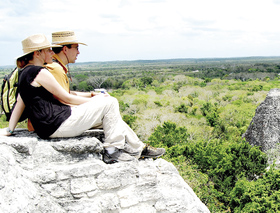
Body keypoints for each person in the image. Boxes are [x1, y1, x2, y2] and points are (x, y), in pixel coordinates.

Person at [1, 34, 165, 164]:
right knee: (110, 103)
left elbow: (19, 104)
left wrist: (10, 129)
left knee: (109, 118)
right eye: (48, 50)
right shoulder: (40, 72)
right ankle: (113, 151)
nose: (52, 52)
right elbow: (65, 97)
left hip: (47, 127)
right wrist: (98, 101)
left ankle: (138, 148)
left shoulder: (23, 73)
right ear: (37, 53)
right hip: (58, 123)